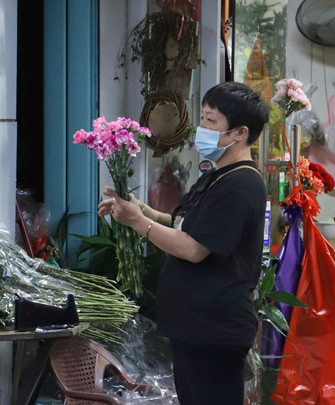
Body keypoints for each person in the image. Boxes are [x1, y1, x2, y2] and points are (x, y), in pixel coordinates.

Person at [98, 81, 269, 405]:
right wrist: (142, 211)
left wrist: (139, 223)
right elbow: (184, 224)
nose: (201, 128)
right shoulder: (218, 174)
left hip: (214, 330)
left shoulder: (241, 184)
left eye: (211, 120)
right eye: (202, 118)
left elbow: (193, 248)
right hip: (194, 326)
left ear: (240, 133)